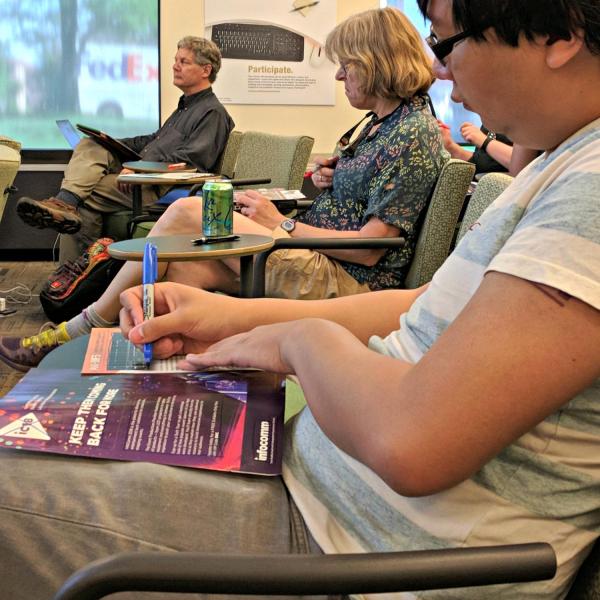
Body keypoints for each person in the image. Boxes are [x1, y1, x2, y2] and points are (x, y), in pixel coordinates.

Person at [0, 2, 598, 599]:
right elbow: (426, 304)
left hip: (360, 551)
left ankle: (82, 322)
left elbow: (411, 442)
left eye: (445, 43)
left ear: (559, 35)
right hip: (324, 485)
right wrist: (235, 319)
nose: (440, 71)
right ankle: (90, 322)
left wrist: (291, 340)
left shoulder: (585, 187)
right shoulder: (559, 161)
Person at [0, 7, 447, 372]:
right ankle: (89, 358)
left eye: (346, 66)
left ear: (375, 63)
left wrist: (283, 224)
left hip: (349, 278)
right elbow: (367, 198)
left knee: (185, 214)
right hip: (314, 251)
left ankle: (77, 331)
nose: (339, 77)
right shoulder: (380, 125)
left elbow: (373, 249)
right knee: (168, 282)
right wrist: (334, 177)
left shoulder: (412, 134)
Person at [15, 36, 235, 253]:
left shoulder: (212, 113)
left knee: (85, 193)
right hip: (146, 176)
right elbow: (153, 140)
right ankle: (64, 204)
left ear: (206, 70)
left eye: (183, 62)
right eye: (176, 60)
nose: (174, 66)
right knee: (91, 145)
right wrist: (111, 142)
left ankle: (85, 269)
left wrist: (140, 167)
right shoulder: (185, 107)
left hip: (160, 186)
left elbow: (191, 161)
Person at [439, 120, 539, 175]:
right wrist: (451, 146)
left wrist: (484, 141)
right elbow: (484, 162)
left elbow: (521, 166)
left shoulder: (525, 116)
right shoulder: (492, 118)